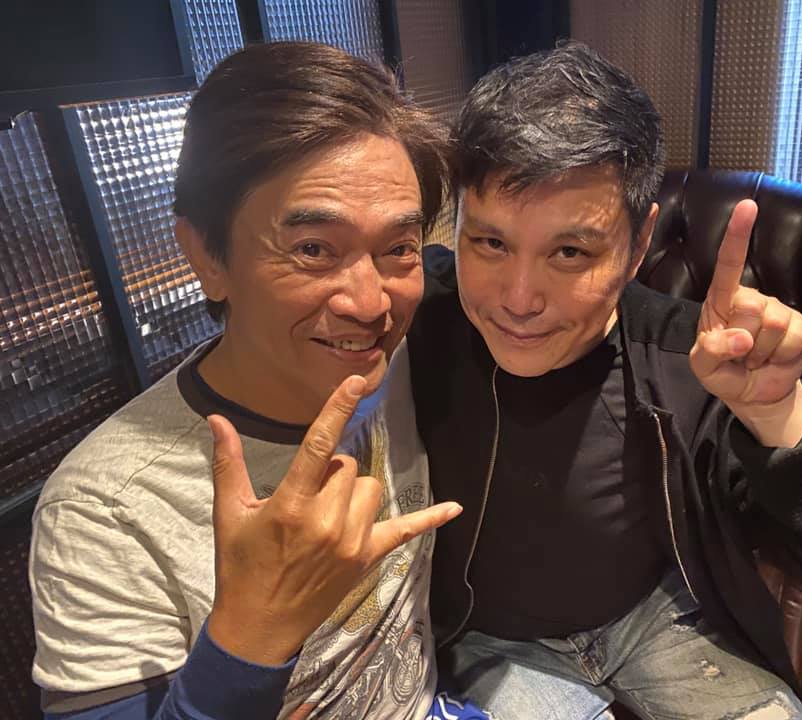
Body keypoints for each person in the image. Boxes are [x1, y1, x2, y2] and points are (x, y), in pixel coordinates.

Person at [405, 41, 802, 720]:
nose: (519, 299)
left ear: (638, 244)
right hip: (486, 638)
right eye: (491, 242)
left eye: (570, 251)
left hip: (657, 619)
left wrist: (781, 413)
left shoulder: (693, 358)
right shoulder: (417, 321)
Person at [29, 41, 490, 720]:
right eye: (313, 249)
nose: (371, 304)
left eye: (398, 247)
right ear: (206, 256)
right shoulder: (104, 510)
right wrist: (251, 635)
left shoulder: (405, 353)